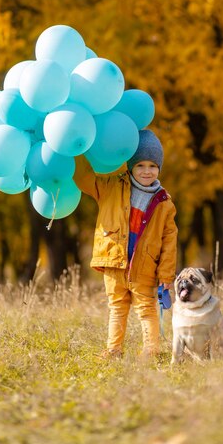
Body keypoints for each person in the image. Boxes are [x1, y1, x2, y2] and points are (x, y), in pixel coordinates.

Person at [74, 129, 178, 357]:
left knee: (146, 308)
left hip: (144, 265)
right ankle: (114, 349)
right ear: (130, 166)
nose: (146, 171)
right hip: (113, 259)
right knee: (117, 307)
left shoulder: (164, 202)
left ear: (159, 168)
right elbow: (83, 179)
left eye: (152, 166)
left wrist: (166, 275)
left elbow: (169, 241)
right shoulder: (111, 186)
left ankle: (151, 351)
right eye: (140, 165)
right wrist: (74, 149)